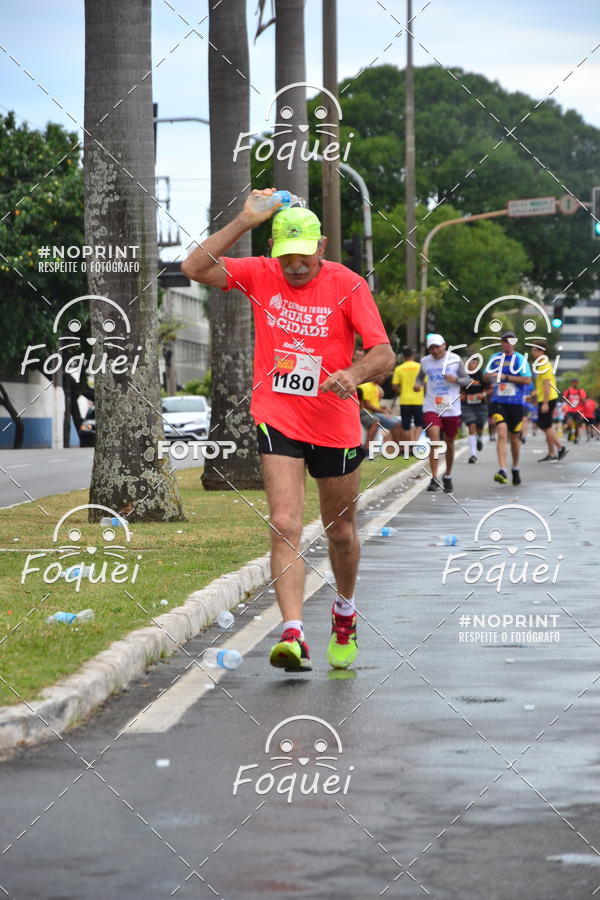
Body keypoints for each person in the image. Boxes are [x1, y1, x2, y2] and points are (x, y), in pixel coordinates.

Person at [181, 188, 394, 673]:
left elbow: (384, 354)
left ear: (320, 248)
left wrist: (354, 374)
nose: (294, 267)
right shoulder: (260, 273)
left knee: (341, 531)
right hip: (278, 415)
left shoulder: (348, 284)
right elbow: (194, 268)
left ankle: (344, 611)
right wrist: (243, 220)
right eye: (285, 258)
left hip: (335, 423)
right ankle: (293, 633)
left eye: (302, 257)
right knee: (284, 523)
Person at [414, 334, 471, 493]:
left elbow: (468, 380)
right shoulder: (425, 361)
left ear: (444, 345)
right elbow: (420, 378)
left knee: (450, 443)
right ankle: (433, 478)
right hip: (432, 406)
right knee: (434, 439)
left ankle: (448, 475)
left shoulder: (455, 359)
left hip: (451, 407)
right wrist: (417, 385)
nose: (435, 350)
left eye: (437, 346)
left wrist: (456, 380)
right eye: (431, 347)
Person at [484, 330, 532, 486]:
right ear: (501, 343)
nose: (508, 344)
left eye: (511, 341)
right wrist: (490, 375)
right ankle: (502, 469)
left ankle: (515, 467)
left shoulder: (520, 359)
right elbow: (485, 376)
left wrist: (506, 377)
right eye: (505, 341)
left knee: (514, 439)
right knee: (501, 432)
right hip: (499, 402)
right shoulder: (494, 358)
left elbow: (526, 379)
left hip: (516, 404)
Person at [530, 341, 567, 462]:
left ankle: (559, 448)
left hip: (548, 399)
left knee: (546, 425)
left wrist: (545, 403)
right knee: (545, 425)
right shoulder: (541, 364)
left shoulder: (544, 365)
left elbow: (547, 385)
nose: (532, 352)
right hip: (545, 398)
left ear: (541, 351)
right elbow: (542, 385)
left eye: (535, 350)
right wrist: (534, 395)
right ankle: (553, 452)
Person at [358, 374, 403, 446]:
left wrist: (383, 407)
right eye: (381, 377)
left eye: (383, 378)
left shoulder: (376, 387)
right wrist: (383, 411)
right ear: (375, 376)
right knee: (395, 423)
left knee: (399, 421)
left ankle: (401, 446)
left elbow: (374, 404)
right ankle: (367, 447)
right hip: (368, 412)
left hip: (374, 412)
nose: (383, 379)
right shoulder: (365, 386)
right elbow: (368, 406)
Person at [391, 347, 424, 442]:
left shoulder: (399, 368)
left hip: (404, 400)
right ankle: (414, 443)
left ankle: (408, 447)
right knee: (419, 424)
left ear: (403, 356)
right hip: (418, 400)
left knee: (406, 426)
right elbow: (425, 384)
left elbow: (394, 386)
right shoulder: (420, 367)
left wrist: (402, 391)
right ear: (413, 355)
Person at [461, 355, 489, 463]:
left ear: (478, 364)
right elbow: (459, 388)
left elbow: (490, 388)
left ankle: (479, 438)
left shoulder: (483, 375)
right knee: (471, 425)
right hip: (467, 405)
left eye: (474, 362)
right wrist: (462, 396)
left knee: (480, 427)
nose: (472, 364)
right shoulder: (463, 375)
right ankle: (473, 454)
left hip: (481, 405)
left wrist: (483, 394)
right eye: (470, 362)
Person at [563, 377, 587, 443]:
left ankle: (576, 437)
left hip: (578, 410)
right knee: (569, 423)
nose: (575, 384)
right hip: (570, 410)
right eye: (573, 383)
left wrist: (582, 399)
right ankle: (570, 431)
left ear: (578, 383)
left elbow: (584, 400)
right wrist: (569, 402)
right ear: (571, 383)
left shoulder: (581, 391)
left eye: (576, 383)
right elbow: (565, 399)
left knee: (577, 425)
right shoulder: (568, 391)